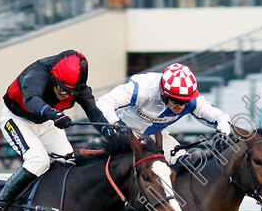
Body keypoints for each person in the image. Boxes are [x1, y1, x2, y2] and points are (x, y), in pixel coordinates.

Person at [0, 51, 112, 211]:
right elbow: (32, 99)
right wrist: (54, 114)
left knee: (67, 163)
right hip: (16, 119)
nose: (66, 96)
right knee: (38, 161)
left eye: (71, 92)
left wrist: (110, 132)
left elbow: (94, 113)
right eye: (62, 90)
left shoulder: (77, 88)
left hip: (46, 123)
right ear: (53, 78)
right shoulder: (35, 75)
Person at [95, 63, 232, 163]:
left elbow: (222, 118)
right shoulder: (143, 88)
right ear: (162, 92)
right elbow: (103, 103)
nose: (181, 106)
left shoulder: (193, 101)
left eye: (185, 101)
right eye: (176, 100)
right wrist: (117, 126)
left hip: (157, 137)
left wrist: (222, 134)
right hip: (127, 136)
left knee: (185, 163)